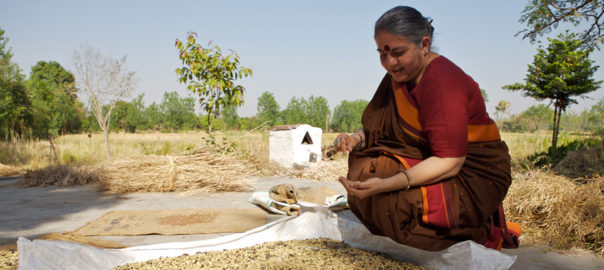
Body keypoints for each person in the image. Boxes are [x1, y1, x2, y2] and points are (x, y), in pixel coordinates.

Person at [334, 6, 520, 251]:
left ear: (424, 44)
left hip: (471, 173)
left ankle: (471, 228)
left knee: (392, 204)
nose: (390, 63)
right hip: (429, 160)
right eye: (382, 54)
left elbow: (450, 160)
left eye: (398, 53)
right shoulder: (398, 76)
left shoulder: (444, 83)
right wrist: (356, 138)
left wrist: (387, 184)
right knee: (366, 169)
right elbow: (381, 127)